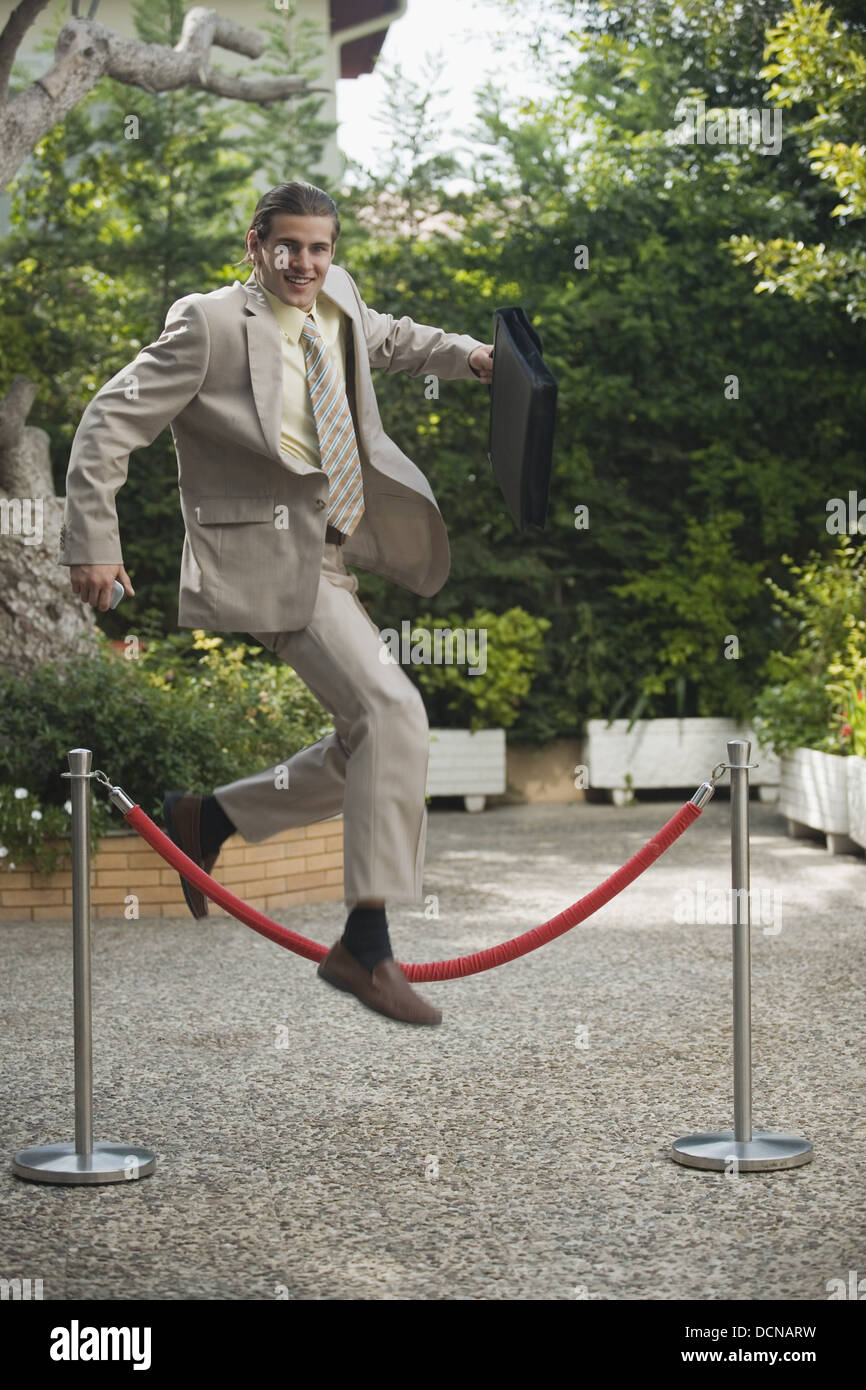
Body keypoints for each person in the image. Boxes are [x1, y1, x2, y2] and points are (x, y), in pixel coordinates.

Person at [61, 180, 494, 1027]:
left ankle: (209, 816)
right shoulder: (212, 323)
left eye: (320, 247)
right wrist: (93, 542)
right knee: (397, 715)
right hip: (262, 558)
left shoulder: (337, 299)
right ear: (256, 243)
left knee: (368, 740)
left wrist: (473, 355)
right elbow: (109, 420)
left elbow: (391, 340)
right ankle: (365, 947)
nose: (305, 263)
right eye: (288, 246)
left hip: (335, 557)